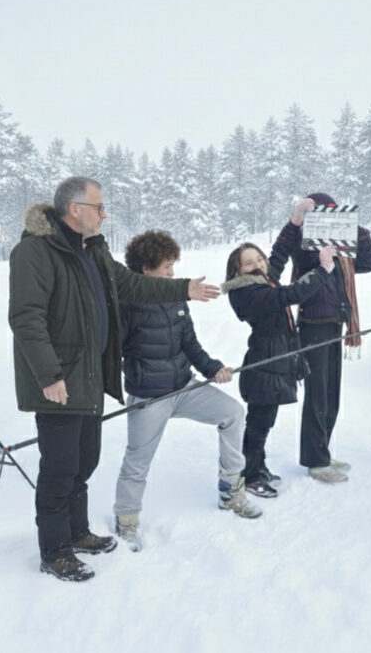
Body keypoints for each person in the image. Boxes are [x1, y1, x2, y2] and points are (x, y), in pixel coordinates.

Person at [8, 177, 221, 582]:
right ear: (75, 210)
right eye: (99, 206)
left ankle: (77, 532)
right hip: (59, 380)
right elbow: (26, 318)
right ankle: (54, 551)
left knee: (83, 461)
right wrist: (49, 375)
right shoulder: (34, 252)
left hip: (89, 376)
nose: (104, 214)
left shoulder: (91, 250)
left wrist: (183, 288)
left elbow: (132, 285)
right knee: (58, 468)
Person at [113, 230, 261, 552]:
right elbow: (111, 350)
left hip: (184, 386)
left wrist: (213, 369)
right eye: (165, 267)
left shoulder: (175, 296)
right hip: (150, 396)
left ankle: (231, 491)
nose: (171, 273)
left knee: (233, 413)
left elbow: (189, 342)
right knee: (137, 460)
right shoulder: (127, 303)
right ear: (144, 269)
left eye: (172, 266)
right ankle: (126, 520)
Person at [222, 208, 336, 497]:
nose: (259, 264)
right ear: (238, 271)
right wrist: (322, 270)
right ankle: (249, 475)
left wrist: (295, 221)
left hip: (276, 359)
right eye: (249, 263)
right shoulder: (248, 292)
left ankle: (257, 467)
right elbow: (290, 295)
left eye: (258, 258)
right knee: (259, 421)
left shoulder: (261, 280)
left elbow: (279, 255)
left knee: (265, 419)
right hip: (265, 361)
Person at [275, 193, 371, 483]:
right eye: (323, 215)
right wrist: (299, 221)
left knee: (331, 393)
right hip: (313, 325)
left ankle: (323, 450)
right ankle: (315, 460)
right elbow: (284, 252)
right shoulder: (306, 247)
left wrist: (355, 230)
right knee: (317, 393)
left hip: (336, 324)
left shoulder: (341, 251)